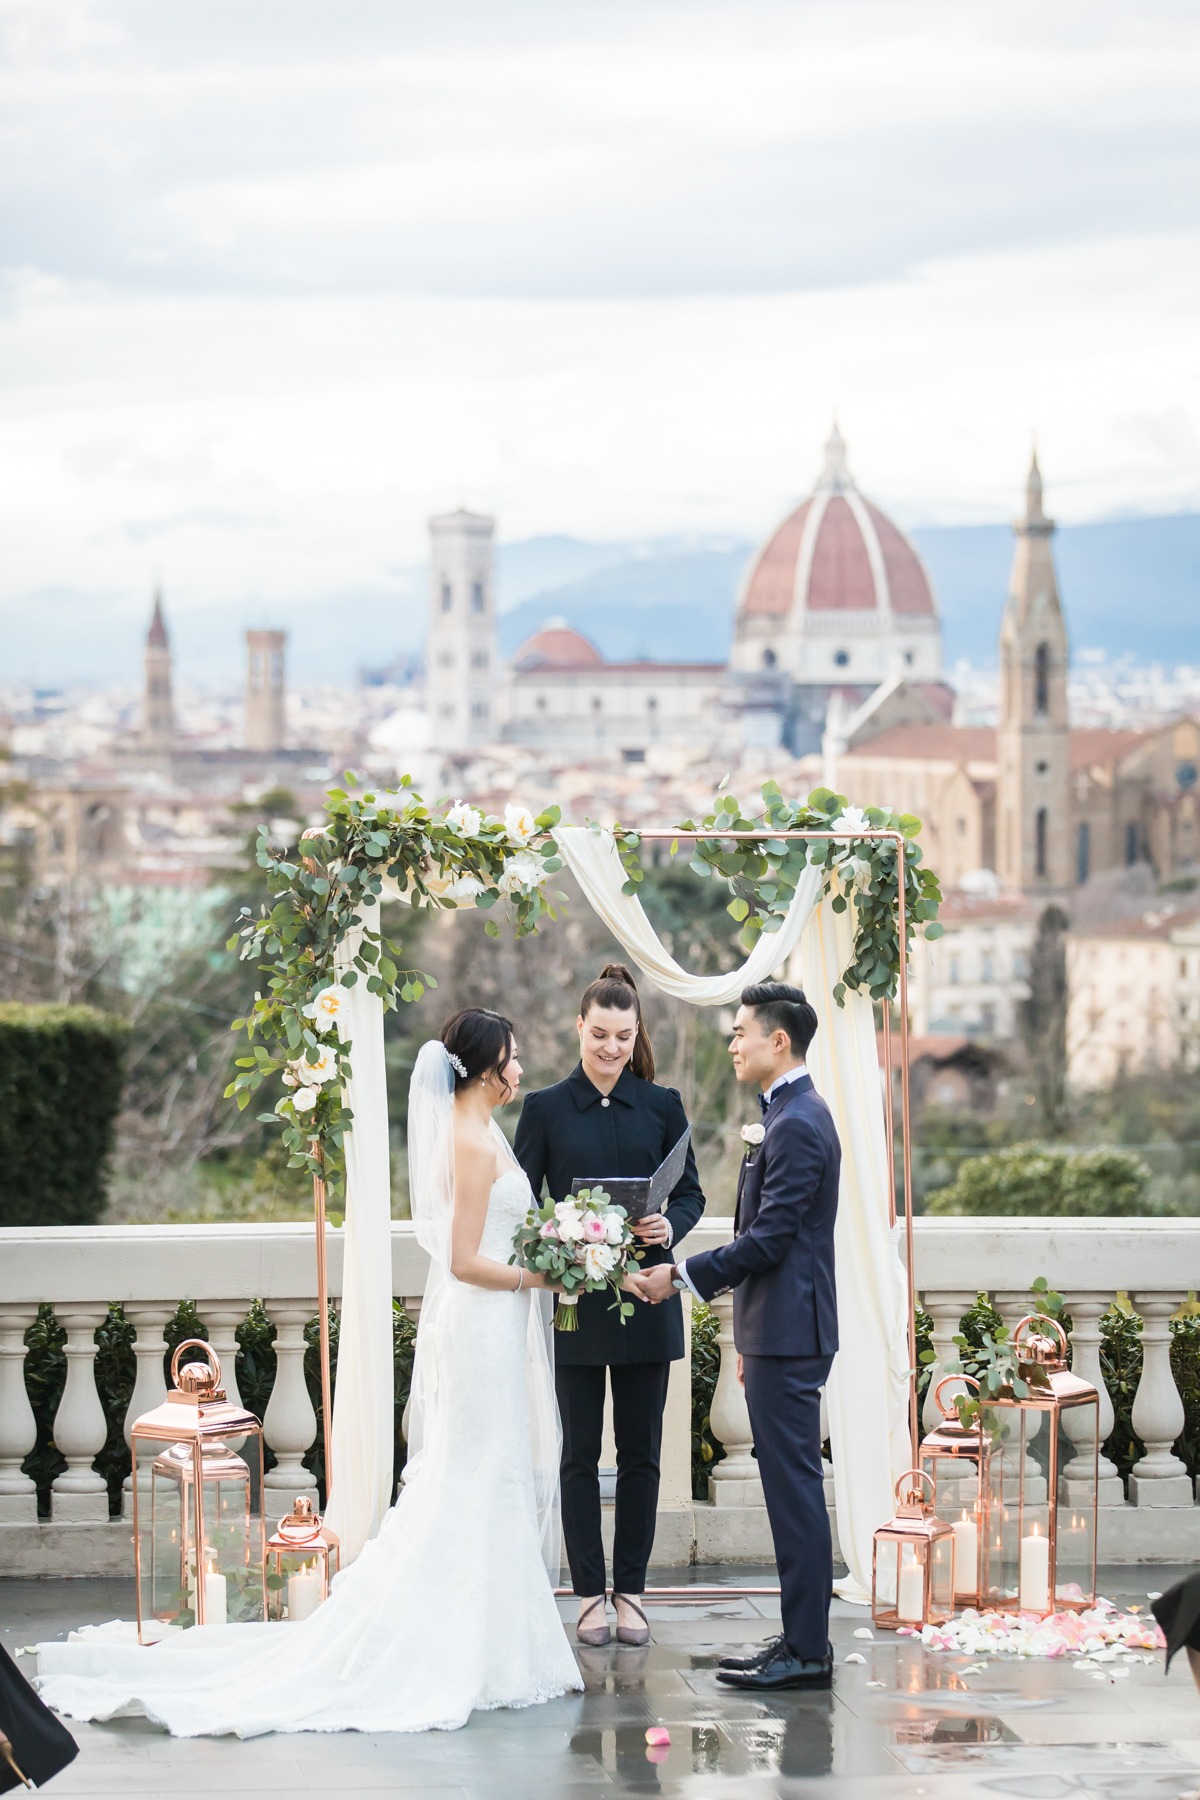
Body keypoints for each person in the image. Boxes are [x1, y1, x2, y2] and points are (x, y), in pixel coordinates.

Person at [36, 1010, 589, 1738]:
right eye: (514, 1058)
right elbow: (461, 1260)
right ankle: (456, 1650)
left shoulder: (483, 1131)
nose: (522, 1069)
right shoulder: (471, 1142)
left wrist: (552, 1251)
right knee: (475, 1473)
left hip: (488, 1325)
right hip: (482, 1325)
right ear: (488, 1069)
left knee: (490, 1473)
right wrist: (540, 1280)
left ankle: (497, 1645)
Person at [638, 981, 840, 1691]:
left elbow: (772, 1240)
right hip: (775, 1329)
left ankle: (808, 1651)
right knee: (790, 1489)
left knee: (794, 1491)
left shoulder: (798, 1123)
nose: (732, 1044)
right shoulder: (785, 1114)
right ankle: (800, 1636)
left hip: (790, 1331)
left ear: (776, 1041)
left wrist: (681, 1276)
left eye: (739, 1032)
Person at [514, 963, 706, 1649]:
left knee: (642, 1454)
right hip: (576, 1304)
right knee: (576, 1455)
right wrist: (559, 1243)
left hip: (649, 1298)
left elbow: (691, 1195)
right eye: (600, 1034)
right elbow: (523, 1210)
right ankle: (588, 1596)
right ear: (579, 1028)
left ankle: (630, 1594)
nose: (611, 1048)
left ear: (636, 1035)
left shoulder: (663, 1106)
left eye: (623, 1037)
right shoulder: (543, 1109)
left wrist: (669, 1228)